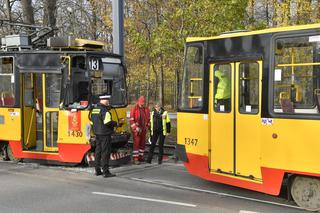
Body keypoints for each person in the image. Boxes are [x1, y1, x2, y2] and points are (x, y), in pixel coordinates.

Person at [90, 95, 121, 178]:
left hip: (97, 133)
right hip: (105, 134)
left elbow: (91, 122)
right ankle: (106, 172)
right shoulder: (104, 111)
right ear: (103, 100)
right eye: (107, 100)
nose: (108, 101)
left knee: (98, 152)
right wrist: (116, 124)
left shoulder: (94, 110)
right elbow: (107, 122)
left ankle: (97, 170)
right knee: (105, 153)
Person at [130, 96, 150, 165]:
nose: (142, 104)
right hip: (137, 130)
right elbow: (131, 120)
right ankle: (135, 158)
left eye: (143, 103)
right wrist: (135, 128)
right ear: (139, 102)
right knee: (136, 144)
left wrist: (147, 126)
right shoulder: (134, 109)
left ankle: (141, 156)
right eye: (141, 103)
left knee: (142, 143)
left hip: (143, 129)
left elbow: (148, 119)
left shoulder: (146, 109)